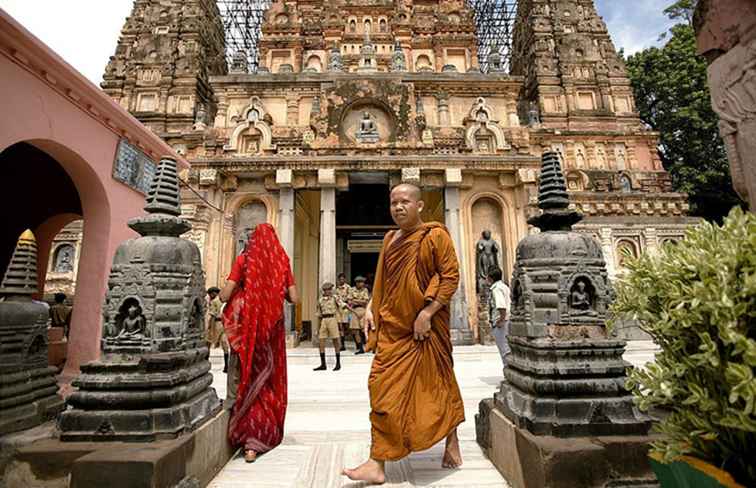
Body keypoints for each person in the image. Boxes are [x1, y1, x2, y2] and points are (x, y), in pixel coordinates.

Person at [343, 184, 465, 484]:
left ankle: (451, 441)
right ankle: (377, 461)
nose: (398, 207)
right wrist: (372, 306)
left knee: (438, 385)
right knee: (381, 388)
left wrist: (427, 313)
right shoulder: (389, 239)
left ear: (420, 205)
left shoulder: (436, 235)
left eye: (405, 202)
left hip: (426, 330)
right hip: (394, 331)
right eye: (394, 202)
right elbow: (383, 278)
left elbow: (450, 277)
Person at [219, 223, 298, 463]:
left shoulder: (244, 260)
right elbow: (294, 298)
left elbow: (225, 294)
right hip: (271, 331)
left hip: (246, 327)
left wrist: (234, 293)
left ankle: (244, 437)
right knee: (267, 381)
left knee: (243, 373)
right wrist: (274, 291)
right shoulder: (281, 261)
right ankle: (260, 437)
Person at [314, 282, 342, 371]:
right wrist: (317, 328)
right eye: (328, 290)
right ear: (324, 291)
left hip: (332, 319)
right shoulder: (320, 300)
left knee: (335, 340)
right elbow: (319, 315)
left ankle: (338, 363)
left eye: (330, 289)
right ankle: (323, 364)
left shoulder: (335, 298)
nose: (330, 291)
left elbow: (343, 305)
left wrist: (354, 312)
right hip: (324, 320)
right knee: (321, 341)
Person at [487, 268, 511, 367]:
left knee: (504, 349)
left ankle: (508, 371)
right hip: (508, 320)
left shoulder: (496, 289)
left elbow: (501, 306)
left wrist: (501, 320)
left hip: (501, 323)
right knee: (508, 348)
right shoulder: (504, 286)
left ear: (490, 278)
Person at [206, 287, 229, 372]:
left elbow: (212, 316)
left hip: (216, 324)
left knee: (208, 342)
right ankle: (226, 366)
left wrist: (209, 328)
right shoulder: (223, 301)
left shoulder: (214, 302)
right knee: (224, 344)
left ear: (214, 293)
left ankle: (206, 363)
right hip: (224, 325)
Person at [347, 276, 369, 355]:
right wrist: (360, 301)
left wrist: (355, 300)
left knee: (364, 329)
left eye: (362, 282)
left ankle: (368, 345)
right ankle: (360, 348)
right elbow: (349, 302)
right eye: (359, 282)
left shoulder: (365, 290)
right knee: (355, 330)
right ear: (356, 283)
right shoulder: (352, 290)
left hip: (363, 310)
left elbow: (366, 302)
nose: (361, 284)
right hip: (354, 310)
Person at [335, 273, 352, 351]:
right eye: (340, 279)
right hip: (339, 309)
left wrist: (344, 302)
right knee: (340, 326)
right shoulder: (336, 289)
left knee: (347, 326)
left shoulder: (348, 288)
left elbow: (349, 298)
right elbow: (336, 298)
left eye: (343, 279)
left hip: (346, 309)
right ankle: (342, 345)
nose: (341, 280)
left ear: (344, 279)